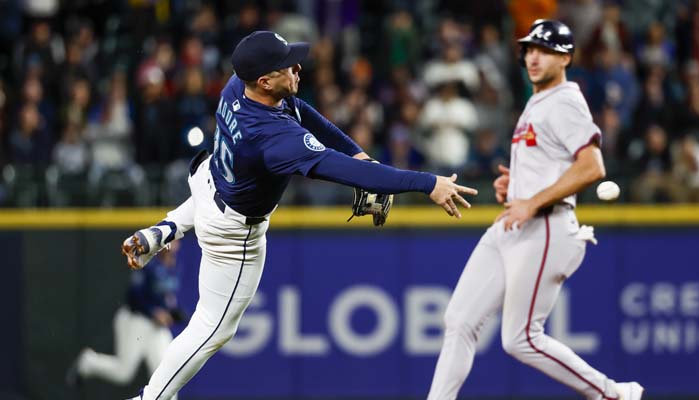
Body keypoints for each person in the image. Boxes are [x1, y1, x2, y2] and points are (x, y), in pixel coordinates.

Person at [120, 31, 477, 400]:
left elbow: (305, 114)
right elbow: (348, 173)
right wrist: (427, 183)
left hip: (209, 183)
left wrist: (359, 153)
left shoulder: (236, 85)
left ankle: (164, 230)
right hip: (231, 235)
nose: (297, 66)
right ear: (264, 80)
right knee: (210, 329)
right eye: (286, 65)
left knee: (220, 193)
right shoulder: (274, 139)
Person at [426, 20, 643, 400]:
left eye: (544, 50)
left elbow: (593, 166)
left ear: (566, 57)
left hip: (547, 225)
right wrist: (517, 185)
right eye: (529, 49)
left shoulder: (565, 101)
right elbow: (550, 163)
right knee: (459, 320)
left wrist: (532, 200)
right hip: (514, 223)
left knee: (520, 338)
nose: (533, 57)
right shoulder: (537, 101)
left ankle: (612, 394)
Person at [67, 241, 184, 400]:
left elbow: (167, 298)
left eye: (175, 241)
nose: (172, 245)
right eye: (169, 241)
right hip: (136, 320)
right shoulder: (148, 261)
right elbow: (133, 295)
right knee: (123, 372)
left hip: (156, 329)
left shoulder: (174, 266)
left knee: (167, 373)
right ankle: (88, 362)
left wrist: (172, 313)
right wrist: (154, 312)